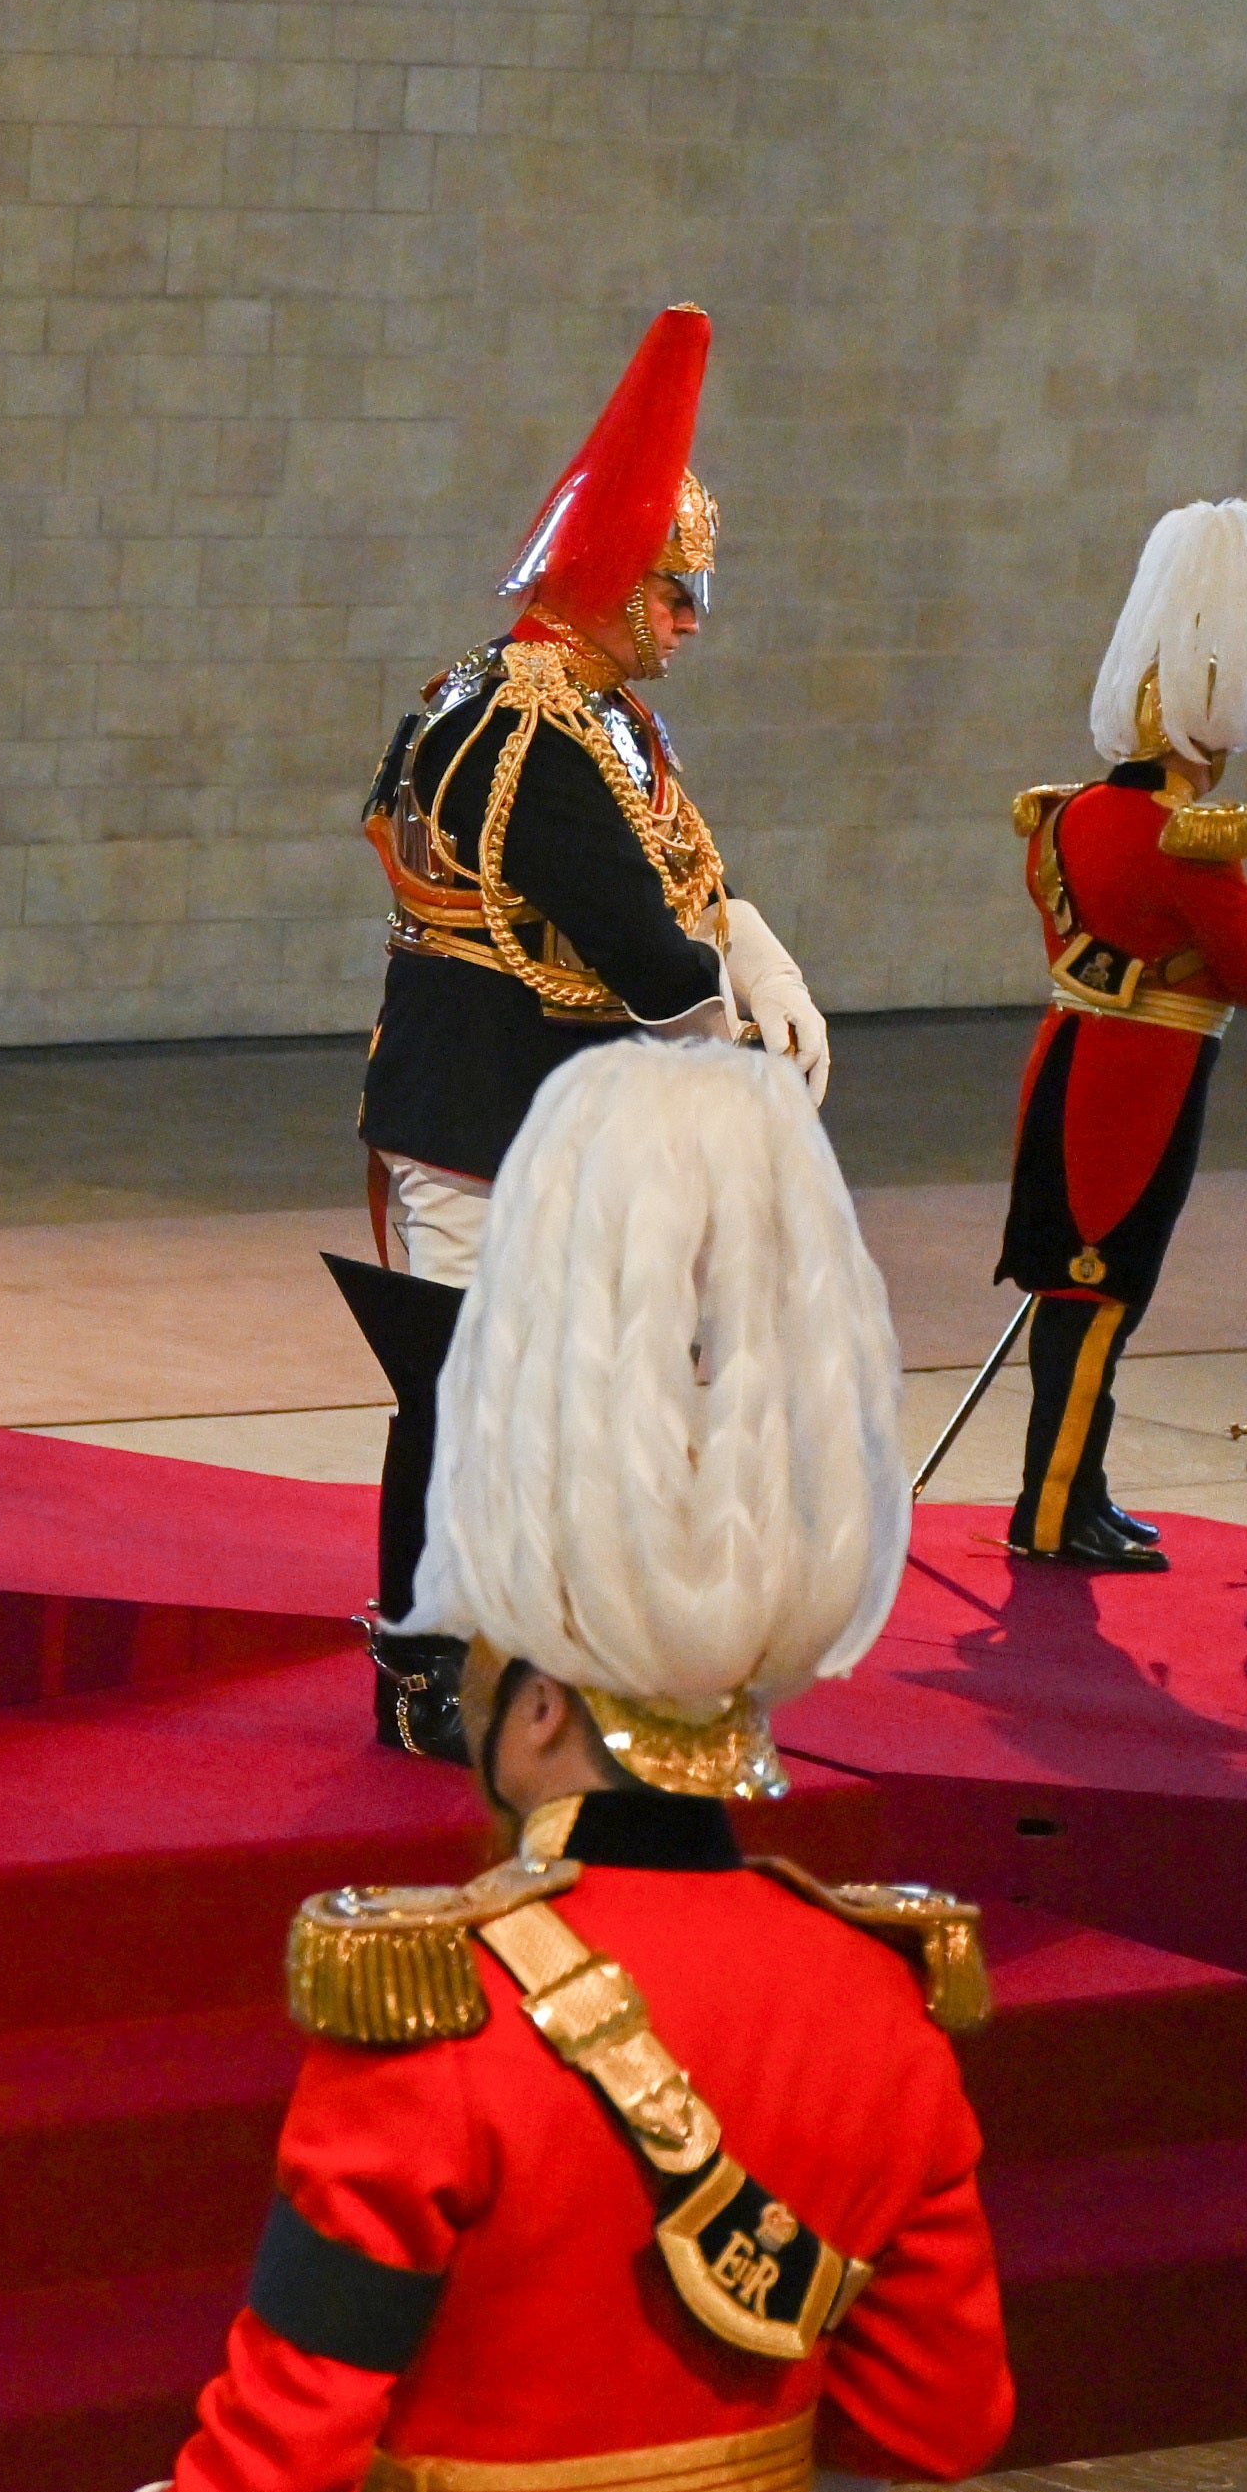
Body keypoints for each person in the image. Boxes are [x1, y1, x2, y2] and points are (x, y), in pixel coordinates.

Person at [77, 1038, 1010, 2492]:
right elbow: (940, 2409)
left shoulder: (429, 2003)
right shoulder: (875, 1985)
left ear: (521, 1687)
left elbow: (277, 2448)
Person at [340, 310, 830, 1760]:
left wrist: (749, 930)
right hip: (485, 1115)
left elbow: (674, 870)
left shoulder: (577, 704)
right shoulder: (539, 728)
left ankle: (534, 1650)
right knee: (465, 1396)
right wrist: (729, 1037)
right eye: (678, 596)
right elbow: (638, 949)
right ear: (615, 588)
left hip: (544, 1114)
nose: (691, 622)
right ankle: (424, 1670)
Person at [996, 501, 1247, 1573]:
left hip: (1071, 1063)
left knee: (1085, 1301)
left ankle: (1076, 1492)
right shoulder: (1191, 839)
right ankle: (1052, 1512)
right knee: (1097, 1298)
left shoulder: (1077, 812)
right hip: (1136, 1087)